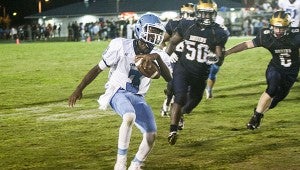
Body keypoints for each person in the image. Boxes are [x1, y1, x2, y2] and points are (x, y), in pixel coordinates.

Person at [68, 13, 172, 170]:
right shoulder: (121, 45)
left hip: (138, 96)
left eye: (157, 33)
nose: (153, 37)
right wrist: (79, 89)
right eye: (151, 31)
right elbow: (98, 68)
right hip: (117, 91)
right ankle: (120, 163)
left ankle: (136, 165)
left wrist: (156, 56)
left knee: (151, 135)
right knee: (129, 116)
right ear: (140, 29)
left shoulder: (159, 54)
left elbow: (168, 78)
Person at [165, 0, 229, 145]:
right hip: (183, 68)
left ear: (214, 14)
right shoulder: (188, 25)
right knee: (180, 96)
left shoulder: (218, 32)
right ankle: (173, 130)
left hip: (201, 73)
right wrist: (166, 59)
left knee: (193, 101)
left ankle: (180, 114)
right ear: (198, 13)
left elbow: (219, 60)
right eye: (203, 13)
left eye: (209, 14)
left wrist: (216, 58)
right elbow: (173, 42)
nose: (206, 17)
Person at [225, 11, 300, 130]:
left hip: (291, 72)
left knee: (275, 101)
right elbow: (246, 44)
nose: (279, 31)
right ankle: (256, 117)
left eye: (283, 28)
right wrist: (227, 52)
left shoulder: (296, 36)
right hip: (275, 68)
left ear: (288, 27)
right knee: (272, 89)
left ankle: (259, 113)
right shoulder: (265, 36)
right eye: (276, 27)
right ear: (271, 26)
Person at [160, 3, 196, 118]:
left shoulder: (198, 25)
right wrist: (167, 51)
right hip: (175, 59)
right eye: (188, 14)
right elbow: (161, 40)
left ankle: (179, 117)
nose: (190, 17)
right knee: (172, 85)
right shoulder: (174, 23)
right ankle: (167, 100)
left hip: (190, 59)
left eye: (192, 14)